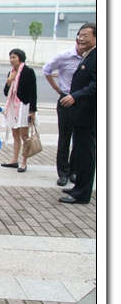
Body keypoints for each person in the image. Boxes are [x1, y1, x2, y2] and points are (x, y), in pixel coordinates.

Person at [59, 23, 97, 204]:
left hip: (88, 115)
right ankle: (79, 187)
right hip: (80, 115)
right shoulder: (88, 56)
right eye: (79, 35)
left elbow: (96, 85)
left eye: (85, 35)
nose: (81, 38)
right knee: (80, 154)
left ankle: (82, 194)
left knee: (85, 155)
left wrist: (75, 97)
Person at [42, 40, 83, 186]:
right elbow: (46, 69)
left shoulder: (92, 57)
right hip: (66, 99)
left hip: (83, 100)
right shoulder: (64, 56)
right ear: (77, 40)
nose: (83, 41)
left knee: (79, 138)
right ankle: (63, 173)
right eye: (81, 37)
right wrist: (56, 88)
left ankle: (73, 170)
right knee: (65, 138)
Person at [0, 49, 37, 173]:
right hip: (13, 106)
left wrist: (33, 111)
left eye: (14, 57)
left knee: (24, 136)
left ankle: (24, 162)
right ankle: (14, 160)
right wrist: (9, 81)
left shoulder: (28, 72)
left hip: (24, 106)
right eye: (10, 57)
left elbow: (33, 93)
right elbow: (6, 93)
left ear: (20, 58)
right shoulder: (11, 73)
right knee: (15, 135)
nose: (11, 60)